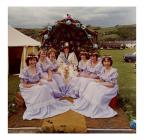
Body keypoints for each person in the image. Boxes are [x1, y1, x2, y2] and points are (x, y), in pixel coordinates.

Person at [19, 53, 70, 120]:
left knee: (46, 86)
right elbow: (24, 85)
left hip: (37, 84)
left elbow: (41, 76)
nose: (32, 62)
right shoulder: (25, 70)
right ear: (28, 61)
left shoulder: (37, 68)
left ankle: (48, 106)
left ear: (36, 61)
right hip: (28, 87)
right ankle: (39, 108)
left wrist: (47, 79)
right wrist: (35, 85)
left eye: (34, 60)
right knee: (41, 89)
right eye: (30, 60)